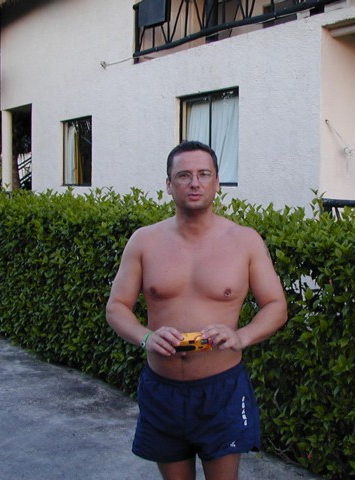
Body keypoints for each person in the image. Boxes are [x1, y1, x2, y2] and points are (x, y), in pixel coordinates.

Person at [105, 140, 288, 480]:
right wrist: (146, 337)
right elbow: (116, 308)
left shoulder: (245, 241)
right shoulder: (144, 241)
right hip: (162, 390)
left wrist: (241, 336)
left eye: (204, 174)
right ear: (168, 184)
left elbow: (276, 306)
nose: (194, 183)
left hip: (222, 390)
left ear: (217, 183)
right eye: (184, 175)